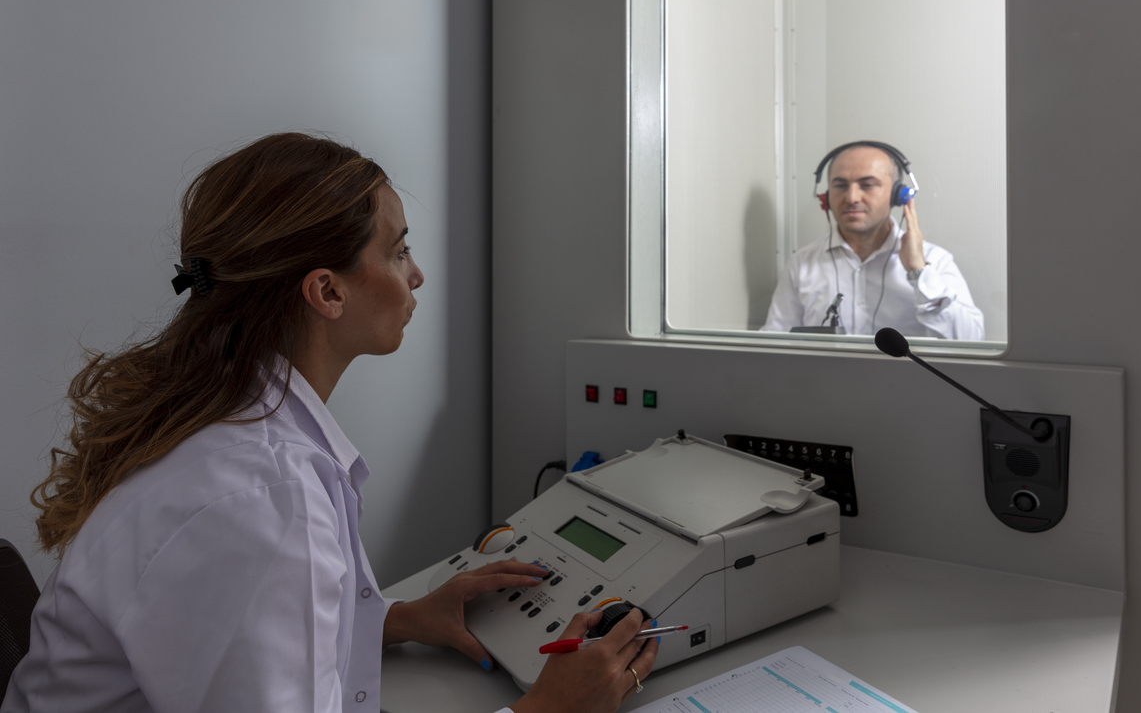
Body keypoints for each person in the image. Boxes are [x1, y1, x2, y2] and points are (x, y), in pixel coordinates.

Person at [3, 133, 656, 713]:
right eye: (399, 252)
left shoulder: (219, 425)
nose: (417, 275)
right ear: (328, 292)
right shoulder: (261, 493)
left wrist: (393, 621)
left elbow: (222, 629)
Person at [761, 141, 984, 340]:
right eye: (840, 186)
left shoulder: (935, 260)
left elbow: (971, 339)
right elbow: (775, 343)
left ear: (899, 195)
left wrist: (918, 272)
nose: (852, 197)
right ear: (826, 196)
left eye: (867, 184)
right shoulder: (802, 264)